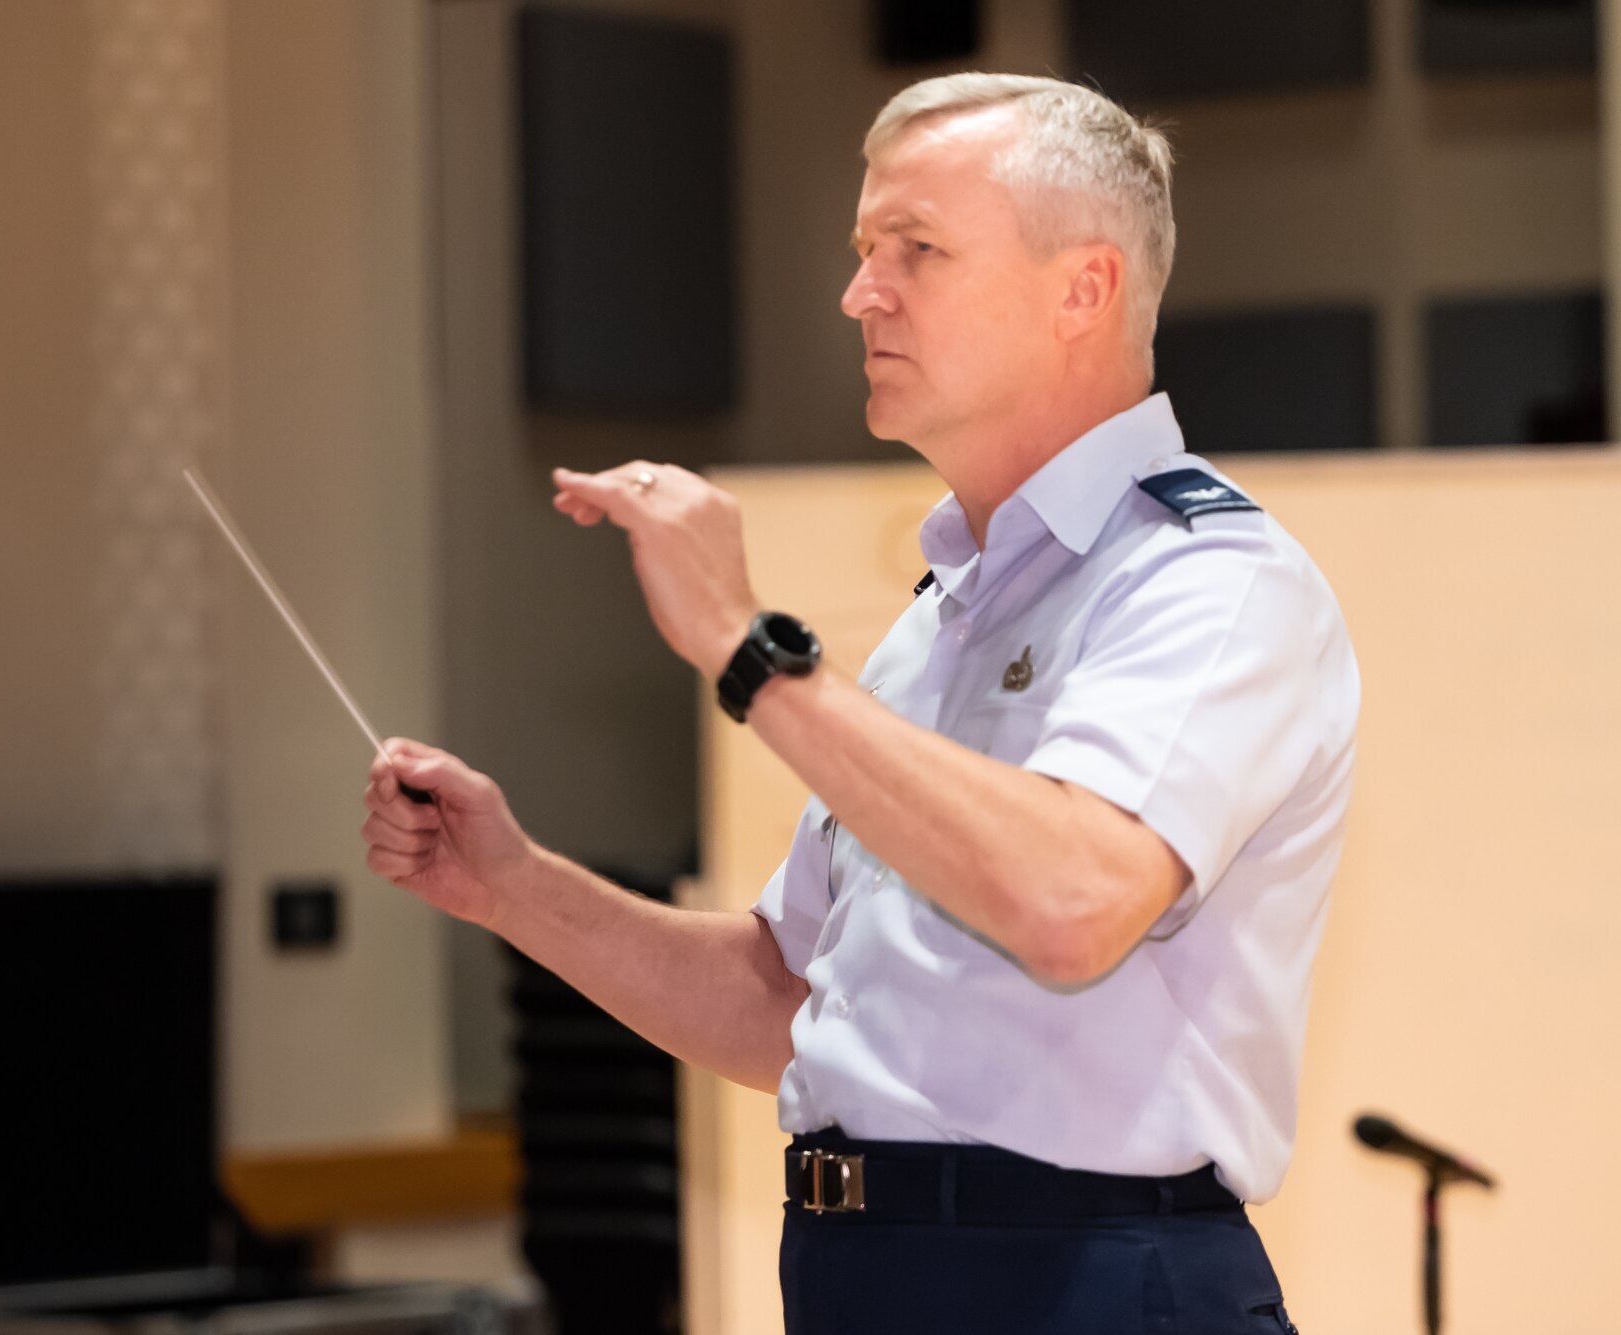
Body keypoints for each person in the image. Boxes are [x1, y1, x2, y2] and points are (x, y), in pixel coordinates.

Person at [361, 73, 1355, 1334]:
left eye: (916, 249)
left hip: (1078, 1282)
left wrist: (746, 649)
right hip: (858, 1273)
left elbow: (1072, 904)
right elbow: (790, 1001)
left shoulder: (1208, 581)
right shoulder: (939, 618)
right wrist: (505, 884)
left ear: (1082, 290)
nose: (858, 292)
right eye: (860, 250)